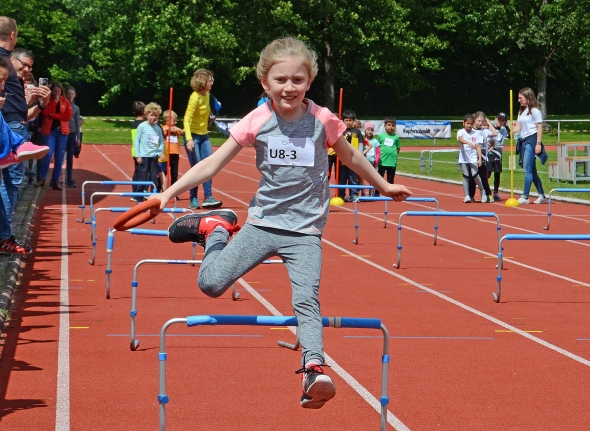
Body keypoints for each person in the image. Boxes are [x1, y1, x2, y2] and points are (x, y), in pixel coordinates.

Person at [149, 37, 411, 409]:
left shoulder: (322, 119)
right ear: (264, 82)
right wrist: (166, 194)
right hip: (263, 224)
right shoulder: (258, 120)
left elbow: (350, 156)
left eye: (298, 80)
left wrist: (383, 185)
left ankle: (314, 369)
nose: (289, 87)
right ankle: (214, 228)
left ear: (309, 81)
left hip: (304, 231)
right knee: (210, 283)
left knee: (307, 299)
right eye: (281, 80)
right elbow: (211, 164)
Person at [0, 16, 50, 255]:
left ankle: (3, 234)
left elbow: (17, 106)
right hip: (10, 127)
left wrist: (38, 105)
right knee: (11, 182)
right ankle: (3, 237)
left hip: (13, 124)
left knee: (10, 182)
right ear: (13, 34)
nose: (27, 71)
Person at [183, 68, 222, 209]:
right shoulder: (195, 97)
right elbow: (186, 120)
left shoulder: (208, 95)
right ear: (203, 82)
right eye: (210, 80)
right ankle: (193, 199)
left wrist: (212, 116)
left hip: (204, 135)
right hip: (192, 136)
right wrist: (189, 139)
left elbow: (209, 112)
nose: (212, 82)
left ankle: (208, 197)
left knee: (209, 166)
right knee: (197, 168)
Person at [37, 81, 72, 190]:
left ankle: (56, 180)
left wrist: (54, 115)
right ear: (51, 92)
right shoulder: (48, 101)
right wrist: (54, 103)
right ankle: (42, 178)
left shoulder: (65, 102)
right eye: (55, 91)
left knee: (59, 157)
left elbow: (67, 116)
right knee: (48, 154)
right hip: (50, 132)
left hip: (62, 132)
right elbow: (46, 112)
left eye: (59, 91)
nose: (57, 93)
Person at [514, 87, 546, 205]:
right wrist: (511, 131)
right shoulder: (521, 111)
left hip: (532, 140)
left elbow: (539, 127)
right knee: (532, 170)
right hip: (523, 140)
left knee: (527, 170)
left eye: (520, 98)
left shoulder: (535, 111)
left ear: (527, 98)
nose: (519, 100)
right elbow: (518, 127)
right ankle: (541, 194)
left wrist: (538, 143)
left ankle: (525, 196)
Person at [133, 102, 164, 201]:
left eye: (156, 116)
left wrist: (159, 152)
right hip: (144, 156)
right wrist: (138, 156)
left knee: (154, 178)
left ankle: (153, 196)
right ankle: (139, 198)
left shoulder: (158, 128)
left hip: (154, 156)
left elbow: (161, 142)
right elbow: (136, 141)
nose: (153, 118)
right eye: (151, 115)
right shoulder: (142, 126)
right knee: (142, 178)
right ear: (146, 115)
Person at [469, 111, 497, 202]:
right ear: (474, 120)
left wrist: (488, 123)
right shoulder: (471, 131)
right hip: (473, 158)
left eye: (482, 121)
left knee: (484, 178)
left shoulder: (484, 131)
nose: (480, 123)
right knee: (472, 178)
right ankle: (470, 195)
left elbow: (495, 133)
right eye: (478, 121)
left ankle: (488, 194)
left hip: (483, 160)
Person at [458, 114, 486, 203]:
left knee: (475, 175)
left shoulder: (475, 133)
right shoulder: (461, 132)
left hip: (473, 157)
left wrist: (480, 159)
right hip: (463, 158)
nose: (469, 125)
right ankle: (467, 196)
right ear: (464, 123)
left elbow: (478, 147)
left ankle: (483, 192)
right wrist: (468, 143)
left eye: (471, 124)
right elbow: (461, 139)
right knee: (466, 176)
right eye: (467, 123)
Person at [337, 110, 363, 202]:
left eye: (350, 120)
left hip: (353, 160)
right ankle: (341, 195)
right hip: (342, 160)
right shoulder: (340, 131)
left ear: (353, 121)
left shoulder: (357, 132)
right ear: (343, 120)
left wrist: (360, 155)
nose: (348, 122)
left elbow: (360, 144)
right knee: (342, 179)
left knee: (353, 179)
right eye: (346, 120)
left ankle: (354, 195)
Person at [374, 116, 401, 196]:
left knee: (390, 179)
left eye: (393, 125)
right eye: (389, 125)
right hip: (382, 161)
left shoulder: (396, 137)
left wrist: (394, 155)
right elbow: (377, 147)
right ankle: (377, 192)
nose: (391, 127)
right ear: (385, 125)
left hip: (392, 162)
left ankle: (390, 193)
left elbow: (398, 148)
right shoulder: (381, 136)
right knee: (379, 179)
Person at [488, 112, 509, 201]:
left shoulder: (504, 129)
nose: (500, 122)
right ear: (495, 119)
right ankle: (487, 192)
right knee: (487, 174)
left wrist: (507, 126)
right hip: (489, 154)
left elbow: (510, 136)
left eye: (502, 120)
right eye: (499, 119)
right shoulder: (490, 128)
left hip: (498, 156)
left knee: (497, 175)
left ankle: (496, 193)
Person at [162, 109, 183, 192]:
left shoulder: (176, 129)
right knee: (164, 172)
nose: (176, 122)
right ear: (167, 120)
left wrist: (178, 129)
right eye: (174, 121)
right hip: (166, 154)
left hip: (175, 153)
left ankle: (173, 191)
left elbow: (184, 133)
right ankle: (162, 189)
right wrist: (167, 129)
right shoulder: (163, 128)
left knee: (174, 174)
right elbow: (160, 132)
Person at [64, 85, 81, 188]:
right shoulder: (62, 105)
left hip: (72, 133)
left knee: (70, 157)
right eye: (68, 94)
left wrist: (78, 138)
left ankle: (69, 178)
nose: (70, 96)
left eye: (72, 94)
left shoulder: (76, 108)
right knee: (59, 156)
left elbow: (77, 123)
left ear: (75, 95)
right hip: (62, 132)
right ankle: (55, 178)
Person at [130, 101, 146, 197]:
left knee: (137, 170)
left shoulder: (134, 124)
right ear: (144, 112)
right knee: (141, 171)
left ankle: (136, 192)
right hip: (141, 151)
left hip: (136, 151)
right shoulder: (143, 125)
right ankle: (138, 192)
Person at [362, 121, 380, 195]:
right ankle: (362, 192)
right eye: (368, 130)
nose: (369, 132)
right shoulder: (363, 140)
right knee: (362, 177)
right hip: (364, 162)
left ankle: (371, 191)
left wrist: (376, 161)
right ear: (365, 130)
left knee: (373, 178)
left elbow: (378, 152)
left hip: (373, 162)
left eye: (371, 130)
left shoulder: (375, 141)